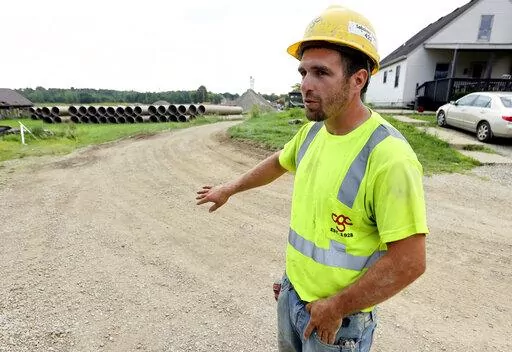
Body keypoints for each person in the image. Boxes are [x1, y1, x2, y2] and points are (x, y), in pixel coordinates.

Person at [196, 5, 428, 352]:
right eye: (303, 71)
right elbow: (279, 161)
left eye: (321, 73)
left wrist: (337, 306)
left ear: (358, 79)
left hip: (338, 322)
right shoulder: (312, 133)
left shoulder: (389, 156)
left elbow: (410, 261)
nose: (306, 84)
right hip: (294, 297)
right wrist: (230, 188)